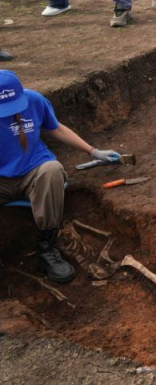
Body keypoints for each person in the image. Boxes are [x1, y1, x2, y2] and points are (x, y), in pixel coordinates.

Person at [1, 70, 121, 284]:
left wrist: (93, 151)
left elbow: (55, 128)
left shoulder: (35, 101)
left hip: (33, 173)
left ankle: (46, 247)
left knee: (52, 170)